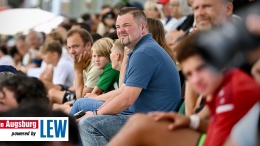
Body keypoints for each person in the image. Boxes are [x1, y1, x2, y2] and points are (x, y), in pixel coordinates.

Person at [107, 33, 260, 146]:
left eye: (201, 69)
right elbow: (217, 126)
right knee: (138, 120)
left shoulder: (235, 89)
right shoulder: (221, 87)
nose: (196, 80)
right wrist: (190, 121)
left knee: (141, 125)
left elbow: (220, 138)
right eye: (189, 74)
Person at [78, 7, 181, 146]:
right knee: (80, 108)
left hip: (151, 121)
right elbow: (123, 92)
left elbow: (126, 99)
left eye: (127, 25)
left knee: (88, 125)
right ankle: (44, 135)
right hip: (138, 114)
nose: (120, 31)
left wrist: (95, 113)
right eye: (118, 27)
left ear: (142, 27)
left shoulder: (144, 53)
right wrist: (96, 111)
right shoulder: (142, 49)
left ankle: (43, 135)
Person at [48, 29, 102, 104]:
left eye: (75, 46)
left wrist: (78, 71)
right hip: (80, 97)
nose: (71, 52)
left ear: (88, 45)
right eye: (69, 48)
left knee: (53, 97)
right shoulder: (81, 62)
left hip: (90, 105)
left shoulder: (97, 65)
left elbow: (81, 100)